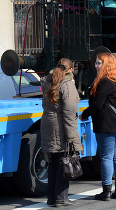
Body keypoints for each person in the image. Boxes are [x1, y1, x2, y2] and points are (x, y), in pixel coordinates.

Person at [79, 53, 116, 201]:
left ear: (107, 65)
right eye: (96, 63)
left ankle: (106, 191)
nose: (96, 66)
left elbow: (97, 105)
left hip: (106, 124)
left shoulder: (105, 82)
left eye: (99, 63)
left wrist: (85, 113)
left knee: (107, 157)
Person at [40, 58, 82, 207]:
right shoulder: (67, 84)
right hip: (60, 127)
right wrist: (73, 138)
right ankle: (61, 198)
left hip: (48, 123)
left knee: (54, 162)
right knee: (64, 162)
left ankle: (51, 198)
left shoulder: (48, 81)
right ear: (70, 70)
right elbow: (69, 114)